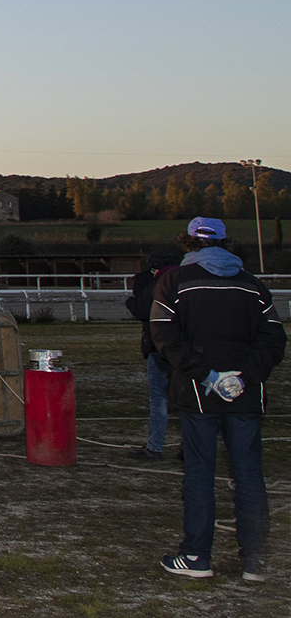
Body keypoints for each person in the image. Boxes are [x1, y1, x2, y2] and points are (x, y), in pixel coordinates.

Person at [151, 216, 285, 583]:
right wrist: (244, 377)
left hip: (198, 395)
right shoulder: (252, 285)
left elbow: (164, 336)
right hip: (245, 396)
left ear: (189, 242)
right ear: (226, 243)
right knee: (248, 476)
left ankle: (196, 555)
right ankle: (255, 560)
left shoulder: (174, 281)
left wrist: (208, 377)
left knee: (199, 474)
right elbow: (274, 339)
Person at [124, 248, 182, 460]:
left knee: (159, 399)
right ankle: (190, 446)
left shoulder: (155, 284)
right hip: (186, 348)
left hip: (159, 348)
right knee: (187, 397)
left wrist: (130, 302)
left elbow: (141, 310)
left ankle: (155, 447)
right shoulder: (188, 282)